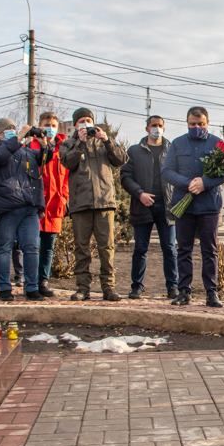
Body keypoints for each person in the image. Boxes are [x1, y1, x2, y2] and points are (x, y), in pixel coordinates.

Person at [162, 106, 224, 307]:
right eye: (192, 124)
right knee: (184, 249)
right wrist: (187, 183)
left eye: (200, 124)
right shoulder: (178, 144)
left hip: (208, 205)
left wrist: (205, 183)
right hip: (184, 204)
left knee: (210, 250)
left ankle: (211, 292)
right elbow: (167, 171)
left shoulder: (218, 143)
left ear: (207, 123)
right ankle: (184, 291)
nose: (196, 127)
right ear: (187, 123)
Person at [61, 107, 127, 302]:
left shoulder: (103, 142)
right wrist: (80, 143)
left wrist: (106, 140)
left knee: (106, 248)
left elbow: (120, 159)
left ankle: (109, 287)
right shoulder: (68, 144)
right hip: (81, 203)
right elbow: (68, 163)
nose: (86, 124)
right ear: (75, 124)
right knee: (81, 248)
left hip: (104, 202)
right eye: (81, 121)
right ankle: (83, 288)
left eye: (88, 120)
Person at [0, 118, 45, 301]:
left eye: (14, 129)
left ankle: (32, 287)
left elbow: (41, 160)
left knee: (32, 247)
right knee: (4, 247)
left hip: (28, 206)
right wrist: (18, 137)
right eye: (7, 130)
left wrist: (44, 145)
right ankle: (4, 288)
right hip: (6, 207)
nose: (12, 131)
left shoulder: (24, 151)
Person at [121, 114, 178, 300]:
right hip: (142, 205)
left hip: (167, 206)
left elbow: (179, 175)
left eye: (160, 125)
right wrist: (140, 193)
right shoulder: (135, 151)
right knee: (140, 248)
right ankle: (137, 286)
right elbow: (125, 177)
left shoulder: (172, 150)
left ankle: (173, 287)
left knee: (169, 247)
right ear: (146, 128)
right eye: (153, 125)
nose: (157, 128)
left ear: (164, 127)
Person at [29, 112, 66, 297]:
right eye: (46, 124)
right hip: (37, 204)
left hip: (55, 205)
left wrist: (64, 198)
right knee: (32, 245)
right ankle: (31, 282)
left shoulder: (62, 149)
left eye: (53, 124)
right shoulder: (32, 146)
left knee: (48, 247)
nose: (49, 128)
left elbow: (66, 177)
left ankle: (43, 280)